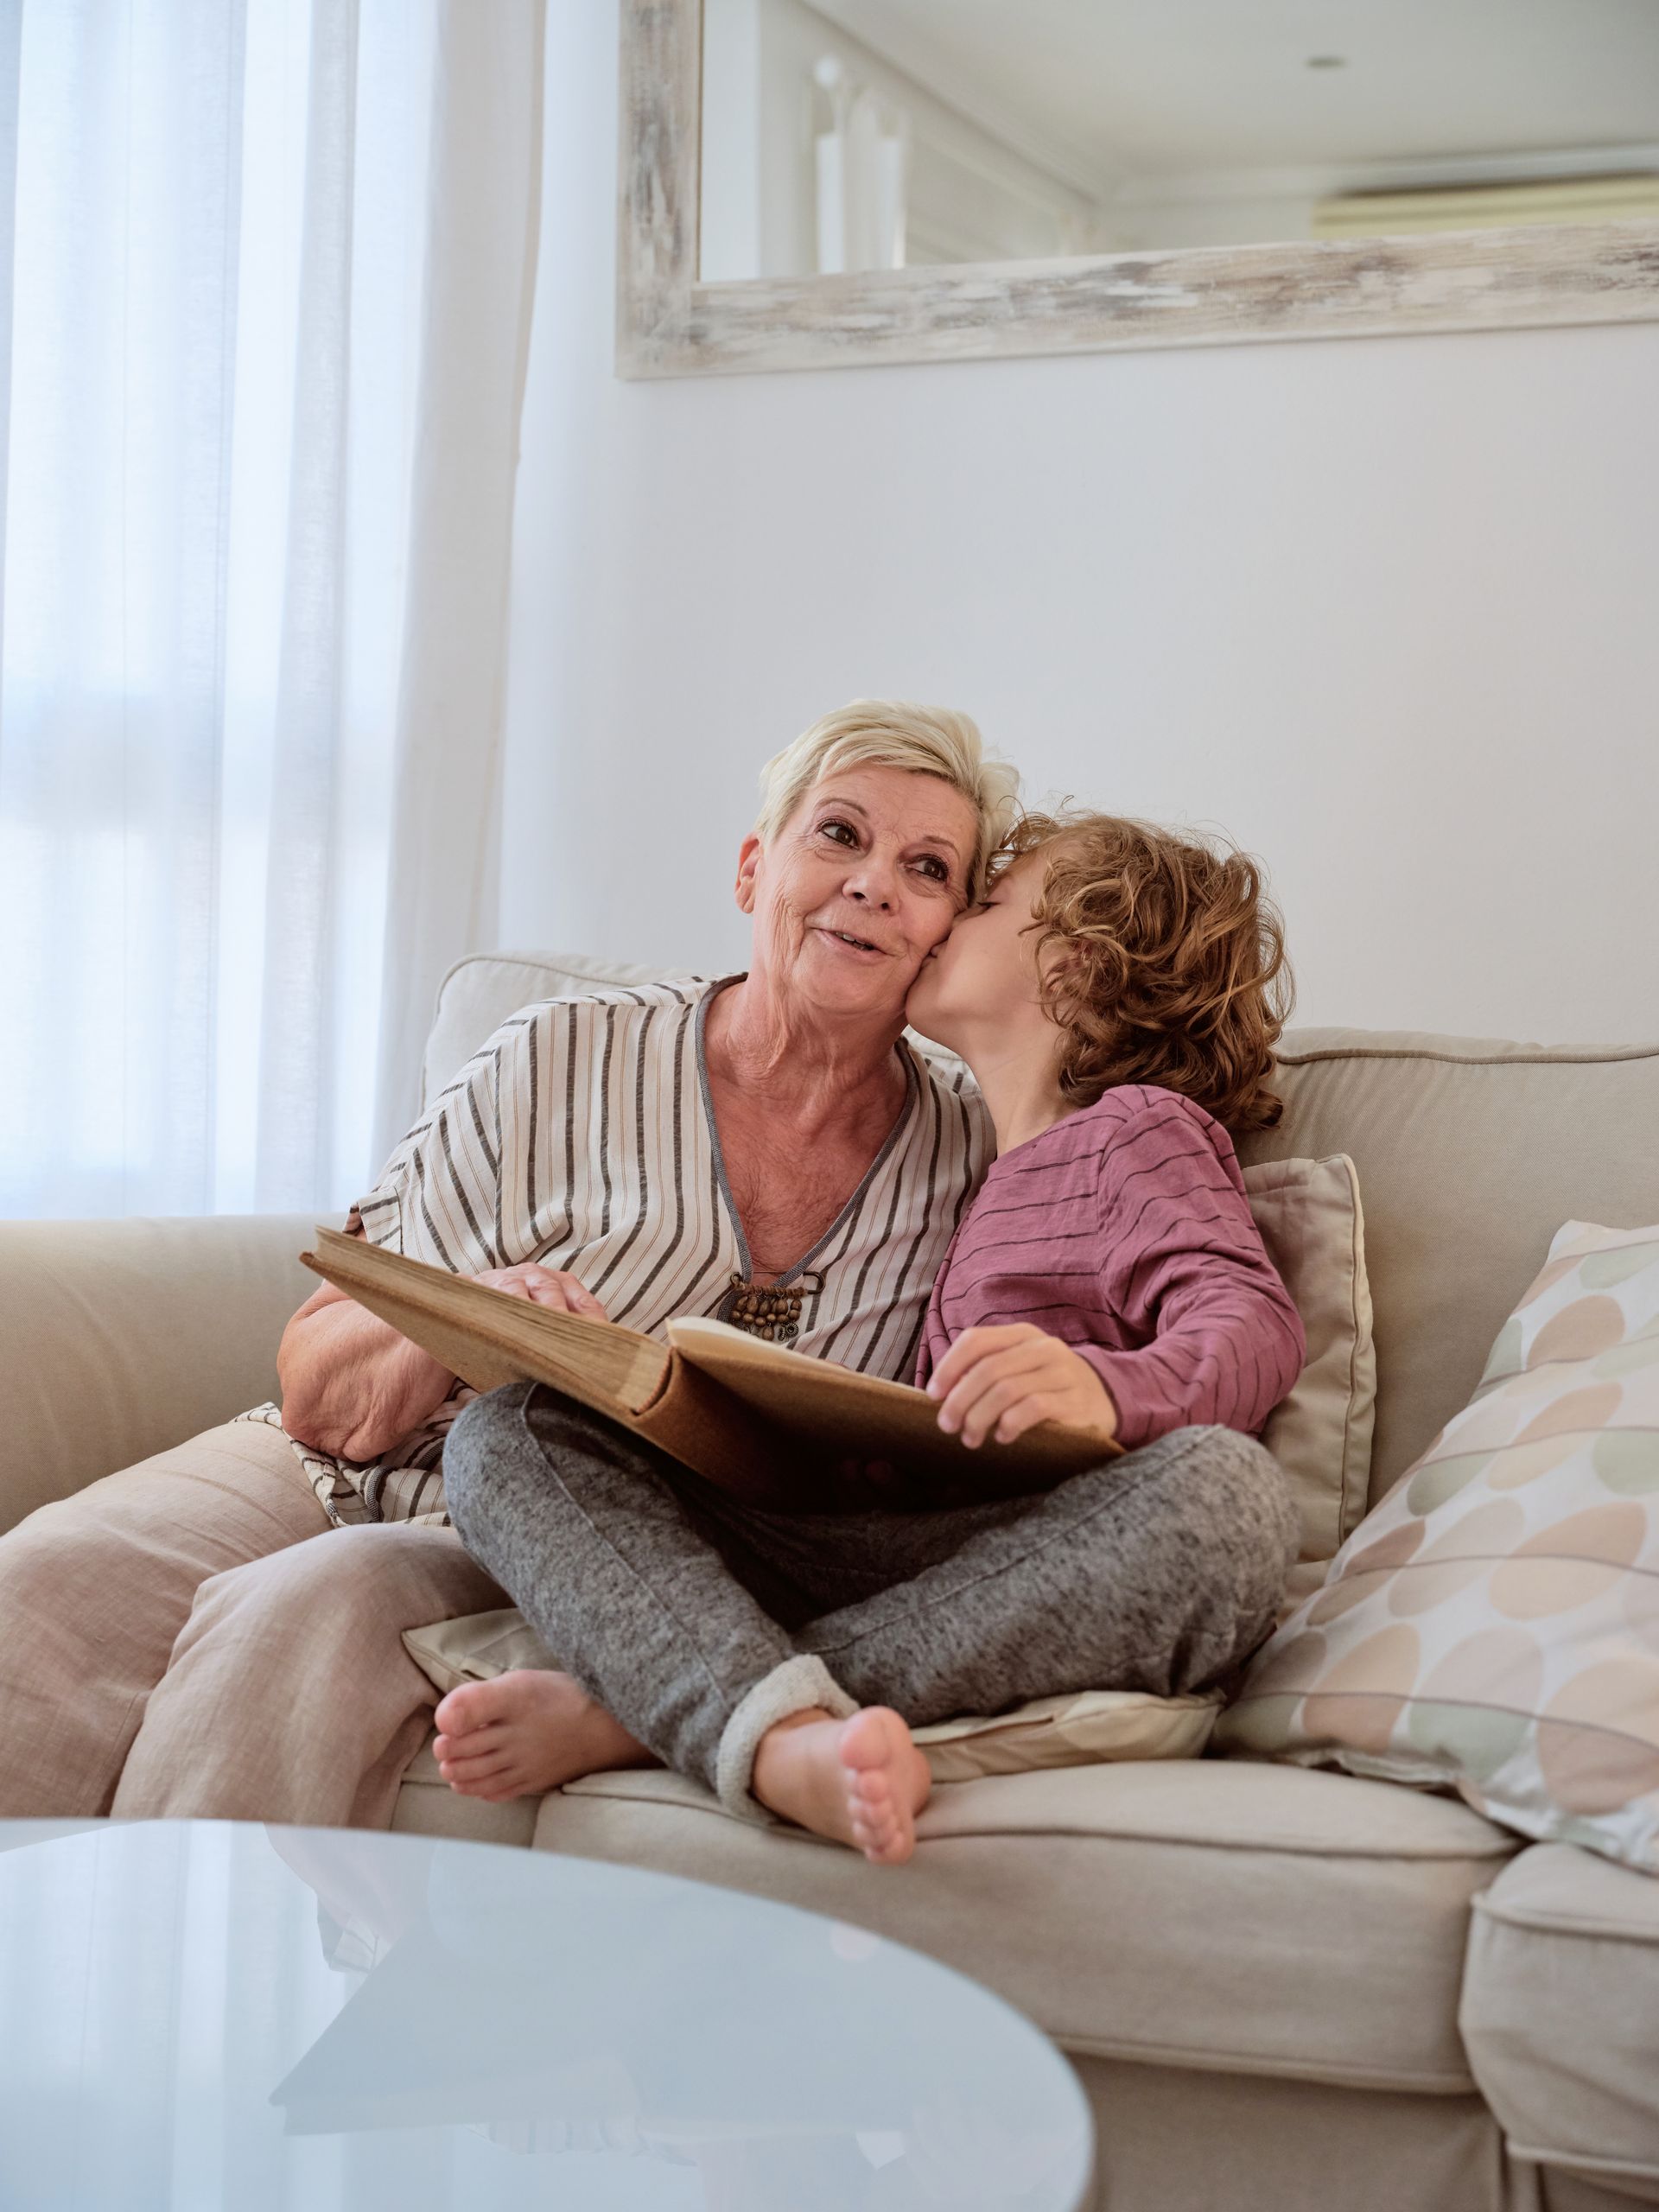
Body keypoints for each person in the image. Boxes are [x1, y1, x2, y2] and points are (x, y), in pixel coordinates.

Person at [0, 702, 1015, 1825]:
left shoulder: (974, 1150)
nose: (874, 883)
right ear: (751, 869)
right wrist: (470, 1319)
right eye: (839, 834)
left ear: (947, 933)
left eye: (926, 867)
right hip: (324, 1468)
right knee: (44, 1580)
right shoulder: (563, 1050)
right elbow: (316, 1381)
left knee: (298, 1615)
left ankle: (205, 1990)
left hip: (573, 1544)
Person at [433, 811, 1306, 1865]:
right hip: (864, 1551)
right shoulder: (958, 1164)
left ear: (1072, 967)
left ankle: (687, 1714)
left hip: (1034, 1557)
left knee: (1230, 1502)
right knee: (509, 1426)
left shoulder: (1135, 1133)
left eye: (981, 902)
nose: (938, 924)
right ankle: (747, 1706)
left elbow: (1250, 1321)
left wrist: (1105, 1390)